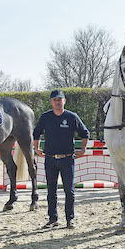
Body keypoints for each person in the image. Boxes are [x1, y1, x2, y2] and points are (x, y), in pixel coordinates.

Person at [33, 90, 89, 229]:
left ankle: (70, 219)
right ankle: (53, 219)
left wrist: (83, 149)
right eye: (55, 100)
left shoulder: (71, 117)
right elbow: (36, 133)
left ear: (64, 101)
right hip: (50, 159)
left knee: (69, 191)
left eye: (60, 99)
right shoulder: (46, 117)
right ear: (51, 102)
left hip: (67, 159)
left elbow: (84, 133)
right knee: (51, 191)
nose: (57, 102)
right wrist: (37, 148)